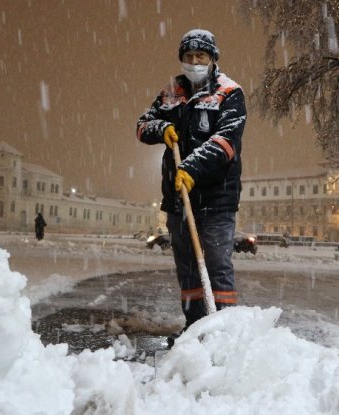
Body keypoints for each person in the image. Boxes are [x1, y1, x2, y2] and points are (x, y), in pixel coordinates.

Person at [136, 29, 247, 345]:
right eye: (189, 56)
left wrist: (191, 168)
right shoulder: (171, 92)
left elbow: (226, 142)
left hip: (216, 198)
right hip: (177, 200)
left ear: (213, 59)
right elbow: (142, 126)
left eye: (201, 56)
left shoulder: (229, 93)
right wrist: (163, 127)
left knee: (215, 265)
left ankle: (223, 333)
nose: (194, 62)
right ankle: (195, 328)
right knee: (188, 269)